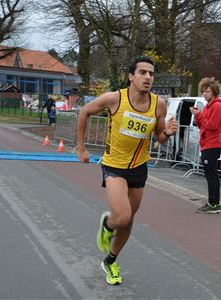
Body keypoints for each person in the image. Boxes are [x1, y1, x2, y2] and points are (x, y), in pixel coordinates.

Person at [76, 56, 178, 285]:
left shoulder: (158, 104)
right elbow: (84, 112)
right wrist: (81, 149)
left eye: (151, 74)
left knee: (129, 219)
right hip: (114, 165)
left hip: (139, 168)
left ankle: (110, 261)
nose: (148, 77)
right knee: (121, 216)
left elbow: (159, 138)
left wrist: (168, 134)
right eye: (142, 72)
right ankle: (108, 224)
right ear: (131, 76)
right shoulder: (114, 99)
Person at [189, 77, 221, 214]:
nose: (205, 94)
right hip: (206, 143)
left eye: (207, 91)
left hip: (212, 144)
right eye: (203, 91)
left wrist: (199, 115)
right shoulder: (209, 106)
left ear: (214, 91)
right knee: (209, 174)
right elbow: (202, 124)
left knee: (212, 175)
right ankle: (213, 202)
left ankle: (214, 203)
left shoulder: (216, 106)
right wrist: (198, 115)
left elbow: (211, 126)